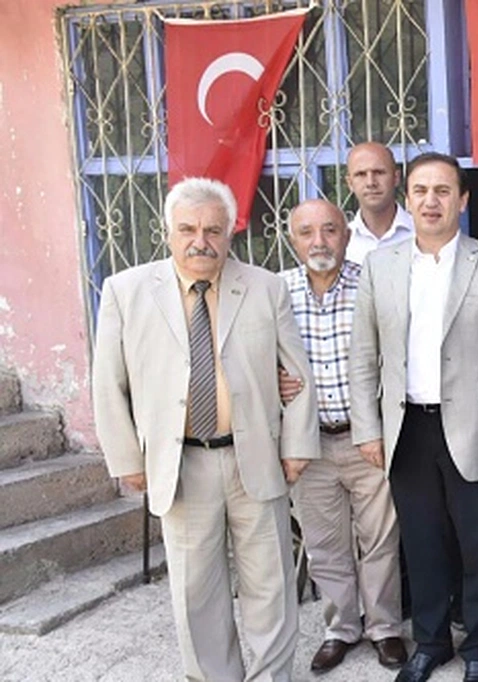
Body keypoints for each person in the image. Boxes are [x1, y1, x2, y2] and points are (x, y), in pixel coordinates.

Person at [92, 177, 320, 681]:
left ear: (230, 232)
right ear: (168, 231)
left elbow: (297, 375)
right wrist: (127, 460)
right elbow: (108, 384)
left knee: (270, 585)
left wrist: (298, 445)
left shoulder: (265, 287)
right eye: (188, 229)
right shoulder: (126, 292)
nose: (201, 241)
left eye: (213, 230)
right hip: (181, 464)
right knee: (197, 592)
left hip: (253, 456)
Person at [349, 152, 478, 682]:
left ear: (463, 200)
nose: (431, 201)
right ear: (407, 199)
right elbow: (363, 355)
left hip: (477, 428)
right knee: (422, 542)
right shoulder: (380, 267)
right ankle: (431, 643)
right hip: (406, 428)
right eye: (421, 191)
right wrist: (368, 430)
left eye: (443, 191)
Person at [282, 199, 406, 673]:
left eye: (330, 230)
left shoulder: (371, 283)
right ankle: (340, 628)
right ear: (292, 240)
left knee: (379, 542)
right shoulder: (276, 292)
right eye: (307, 232)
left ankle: (384, 628)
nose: (319, 241)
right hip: (307, 444)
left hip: (366, 438)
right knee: (324, 544)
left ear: (347, 235)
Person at [346, 141, 414, 264]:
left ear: (396, 178)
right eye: (361, 174)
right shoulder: (342, 242)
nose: (371, 183)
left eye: (379, 173)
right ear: (350, 183)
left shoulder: (422, 234)